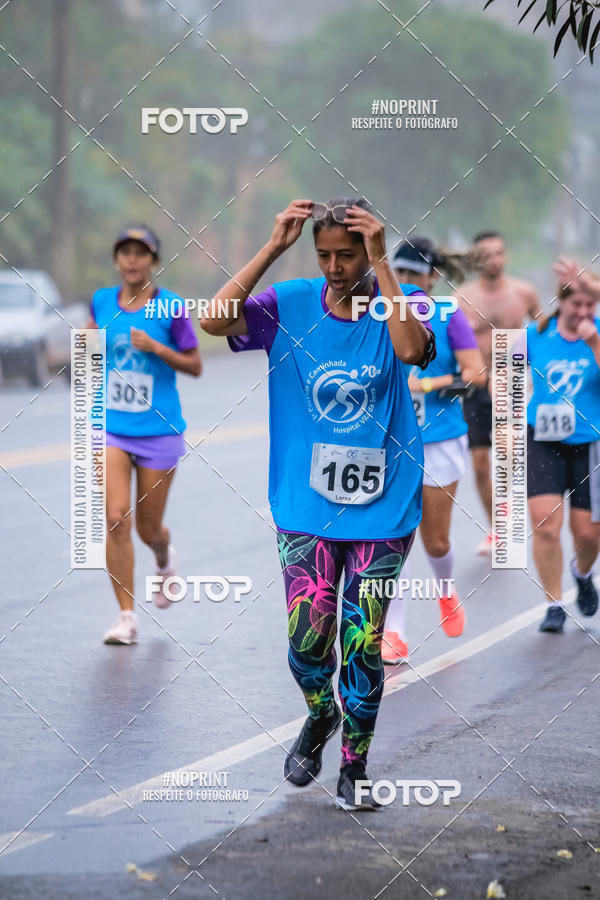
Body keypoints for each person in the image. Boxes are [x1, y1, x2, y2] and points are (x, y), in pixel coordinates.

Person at [200, 197, 435, 809]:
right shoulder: (290, 304)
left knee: (360, 642)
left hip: (383, 509)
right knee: (309, 646)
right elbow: (213, 321)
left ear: (367, 251)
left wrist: (383, 262)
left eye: (347, 254)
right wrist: (274, 246)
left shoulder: (395, 306)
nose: (334, 266)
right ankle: (320, 713)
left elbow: (412, 351)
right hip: (306, 508)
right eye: (323, 254)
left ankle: (354, 769)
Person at [87, 225, 202, 645]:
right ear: (117, 259)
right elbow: (89, 344)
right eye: (125, 252)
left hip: (158, 430)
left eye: (141, 253)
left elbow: (194, 364)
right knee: (117, 516)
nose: (132, 260)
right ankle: (125, 616)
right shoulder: (102, 301)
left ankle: (163, 556)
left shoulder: (171, 307)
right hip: (111, 426)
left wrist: (158, 349)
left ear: (153, 260)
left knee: (148, 530)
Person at [381, 238, 486, 664]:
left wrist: (426, 384)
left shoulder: (447, 314)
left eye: (414, 275)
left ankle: (445, 590)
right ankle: (394, 630)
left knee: (435, 540)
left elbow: (475, 375)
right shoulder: (380, 311)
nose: (406, 282)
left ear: (431, 277)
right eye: (399, 274)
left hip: (440, 439)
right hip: (390, 443)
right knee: (393, 540)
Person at [456, 231, 541, 555]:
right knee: (479, 462)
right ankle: (495, 527)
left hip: (512, 382)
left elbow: (544, 332)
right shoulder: (462, 298)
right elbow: (453, 343)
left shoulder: (524, 292)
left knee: (506, 455)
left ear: (505, 256)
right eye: (485, 255)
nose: (493, 261)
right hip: (475, 385)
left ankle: (508, 523)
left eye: (498, 253)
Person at [526, 271, 600, 633]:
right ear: (561, 302)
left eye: (591, 304)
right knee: (544, 523)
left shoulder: (598, 330)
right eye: (577, 303)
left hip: (589, 443)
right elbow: (504, 373)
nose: (584, 311)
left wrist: (596, 344)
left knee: (588, 534)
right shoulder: (536, 334)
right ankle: (553, 603)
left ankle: (582, 573)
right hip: (543, 439)